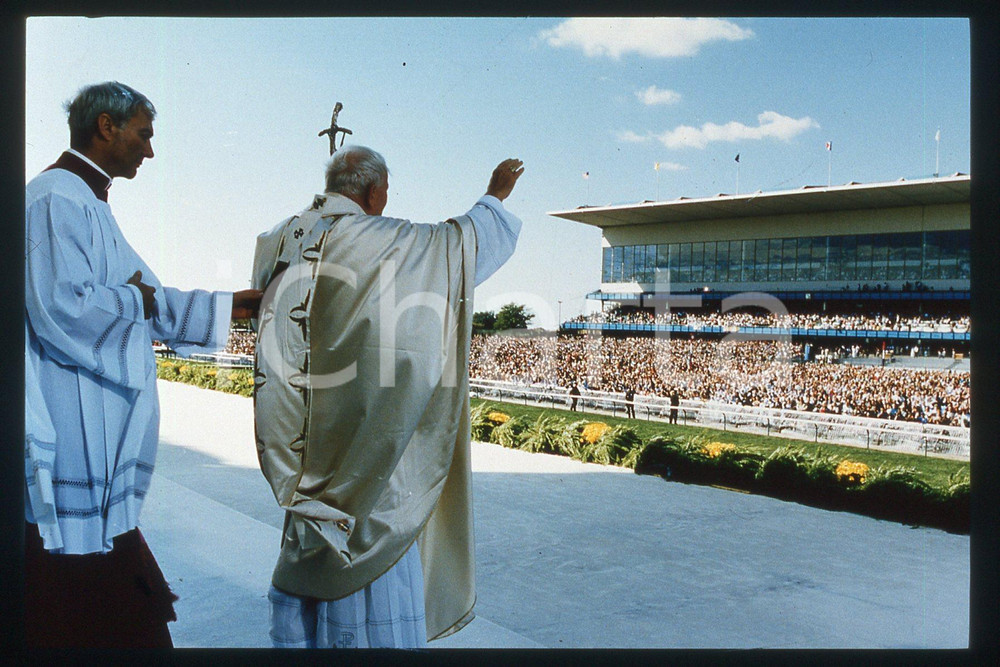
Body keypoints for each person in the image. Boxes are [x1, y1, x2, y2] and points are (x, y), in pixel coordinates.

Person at [252, 145, 523, 648]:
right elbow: (456, 248)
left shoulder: (279, 238)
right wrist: (494, 197)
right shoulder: (375, 240)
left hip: (305, 438)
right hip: (363, 451)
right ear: (374, 191)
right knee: (373, 567)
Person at [23, 81, 262, 648]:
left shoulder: (90, 202)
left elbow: (150, 294)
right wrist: (135, 300)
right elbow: (61, 307)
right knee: (74, 589)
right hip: (69, 419)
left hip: (92, 425)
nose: (149, 150)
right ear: (106, 127)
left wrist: (232, 305)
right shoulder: (56, 198)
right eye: (144, 134)